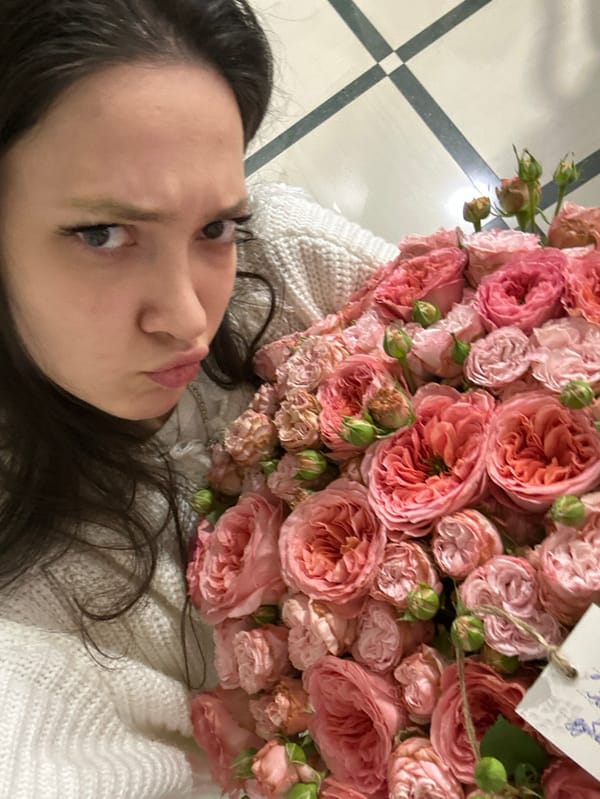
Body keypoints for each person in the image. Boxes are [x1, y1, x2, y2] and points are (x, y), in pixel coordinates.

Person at [0, 1, 397, 797]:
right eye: (103, 234)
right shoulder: (26, 630)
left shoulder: (283, 262)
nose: (187, 318)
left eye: (214, 226)